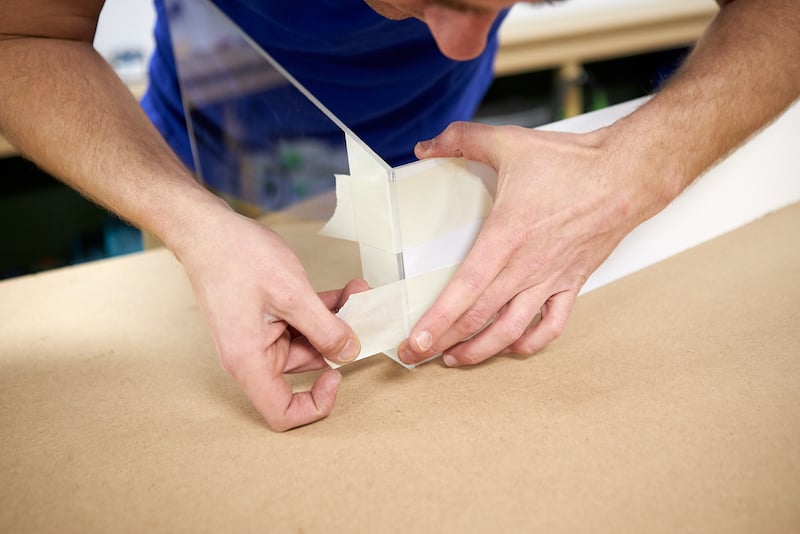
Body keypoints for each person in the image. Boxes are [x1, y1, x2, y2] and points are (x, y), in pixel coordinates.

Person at [0, 0, 797, 432]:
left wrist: (629, 170)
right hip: (202, 160)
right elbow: (24, 32)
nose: (466, 45)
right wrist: (193, 224)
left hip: (430, 162)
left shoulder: (455, 52)